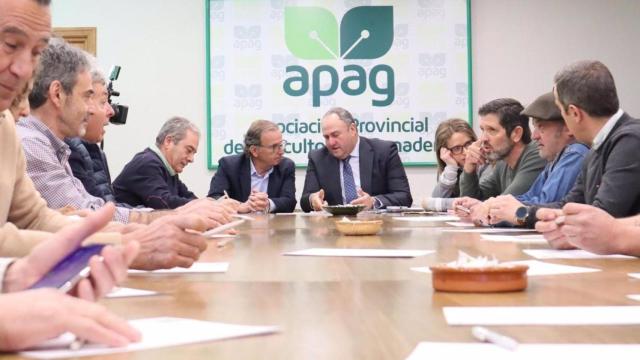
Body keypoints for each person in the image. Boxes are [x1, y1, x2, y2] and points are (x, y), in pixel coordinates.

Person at [18, 37, 232, 270]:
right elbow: (78, 218)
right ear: (57, 94)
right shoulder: (31, 143)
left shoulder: (55, 145)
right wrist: (149, 228)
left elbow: (82, 212)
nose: (94, 109)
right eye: (88, 97)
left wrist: (146, 228)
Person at [0, 0, 139, 351]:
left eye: (35, 53)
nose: (22, 69)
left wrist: (14, 280)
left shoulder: (4, 126)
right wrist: (112, 244)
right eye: (10, 45)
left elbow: (32, 216)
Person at [533, 60, 640, 250]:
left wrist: (524, 214)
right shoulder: (595, 148)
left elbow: (603, 215)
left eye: (560, 110)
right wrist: (530, 213)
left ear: (574, 113)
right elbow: (570, 204)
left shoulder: (630, 140)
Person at [458, 92, 589, 226]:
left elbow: (543, 209)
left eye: (541, 128)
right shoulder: (555, 159)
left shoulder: (575, 153)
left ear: (568, 128)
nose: (534, 136)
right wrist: (489, 206)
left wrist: (493, 213)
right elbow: (530, 198)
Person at [300, 107, 412, 212]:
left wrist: (373, 202)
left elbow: (404, 196)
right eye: (326, 137)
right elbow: (305, 200)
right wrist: (313, 200)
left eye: (335, 135)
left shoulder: (384, 152)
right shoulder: (317, 158)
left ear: (352, 129)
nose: (331, 142)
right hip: (334, 228)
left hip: (378, 226)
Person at [459, 98, 546, 201]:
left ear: (516, 133)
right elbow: (470, 203)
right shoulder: (503, 162)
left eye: (492, 130)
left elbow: (504, 205)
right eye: (483, 130)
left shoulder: (537, 154)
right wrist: (469, 169)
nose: (483, 138)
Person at [208, 119, 296, 213]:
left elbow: (289, 202)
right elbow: (214, 198)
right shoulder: (229, 166)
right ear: (254, 150)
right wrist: (241, 206)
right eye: (274, 147)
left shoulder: (286, 167)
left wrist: (267, 204)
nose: (281, 151)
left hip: (272, 226)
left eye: (281, 145)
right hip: (238, 225)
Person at [113, 116, 199, 209]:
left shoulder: (168, 169)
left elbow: (188, 197)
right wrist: (201, 206)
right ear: (168, 141)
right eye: (189, 150)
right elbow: (164, 203)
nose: (191, 159)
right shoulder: (147, 164)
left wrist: (206, 205)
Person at [67, 68, 119, 203]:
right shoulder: (70, 151)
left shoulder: (96, 152)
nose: (112, 111)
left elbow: (108, 207)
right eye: (103, 102)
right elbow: (94, 212)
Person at [432, 118, 477, 198]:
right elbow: (436, 201)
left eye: (468, 144)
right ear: (445, 152)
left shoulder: (487, 167)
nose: (466, 152)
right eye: (457, 148)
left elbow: (476, 202)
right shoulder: (450, 171)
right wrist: (451, 168)